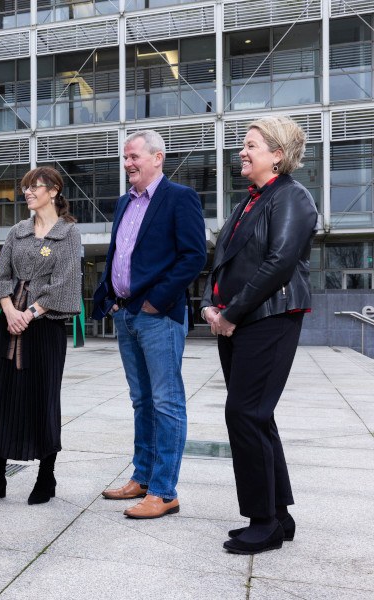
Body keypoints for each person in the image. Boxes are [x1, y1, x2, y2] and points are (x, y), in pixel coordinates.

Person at [200, 116, 317, 555]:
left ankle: (263, 522)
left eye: (251, 145)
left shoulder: (293, 197)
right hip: (240, 321)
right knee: (258, 416)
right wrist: (211, 305)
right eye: (243, 145)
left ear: (278, 154)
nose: (242, 152)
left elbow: (279, 263)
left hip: (268, 319)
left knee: (244, 415)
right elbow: (227, 261)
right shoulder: (249, 201)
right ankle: (279, 516)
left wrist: (231, 312)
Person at [93, 130, 206, 519]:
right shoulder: (124, 202)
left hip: (159, 317)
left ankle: (164, 491)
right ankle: (142, 478)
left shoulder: (180, 198)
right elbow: (120, 255)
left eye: (135, 157)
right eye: (125, 158)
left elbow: (193, 256)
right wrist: (110, 296)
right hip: (126, 314)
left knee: (166, 401)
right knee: (141, 400)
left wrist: (157, 302)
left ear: (158, 158)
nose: (128, 164)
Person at [0, 166, 81, 506]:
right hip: (9, 325)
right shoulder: (17, 231)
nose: (28, 192)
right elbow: (0, 275)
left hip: (44, 331)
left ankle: (46, 477)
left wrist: (29, 314)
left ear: (54, 191)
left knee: (42, 398)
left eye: (35, 187)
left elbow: (65, 282)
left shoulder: (68, 233)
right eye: (26, 187)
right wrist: (9, 312)